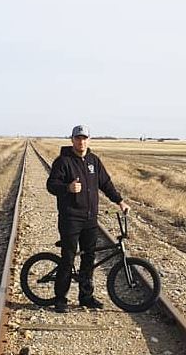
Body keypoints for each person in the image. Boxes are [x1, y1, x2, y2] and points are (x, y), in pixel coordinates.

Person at [45, 125, 129, 313]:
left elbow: (106, 184)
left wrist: (120, 201)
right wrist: (67, 188)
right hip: (70, 219)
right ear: (72, 140)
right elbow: (51, 185)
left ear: (89, 140)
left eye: (84, 138)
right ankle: (60, 299)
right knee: (68, 258)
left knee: (88, 259)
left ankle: (86, 297)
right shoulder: (63, 161)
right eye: (78, 138)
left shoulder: (94, 161)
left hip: (90, 220)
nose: (81, 142)